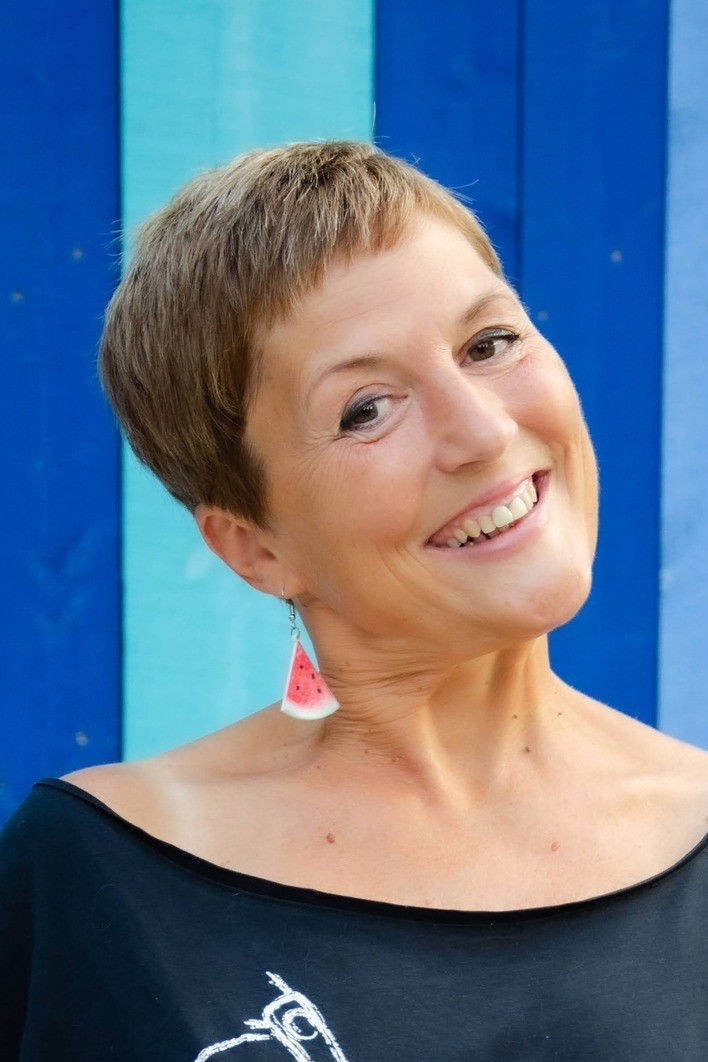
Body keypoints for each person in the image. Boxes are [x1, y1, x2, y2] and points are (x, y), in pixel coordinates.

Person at [1, 140, 707, 1060]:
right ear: (255, 546)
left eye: (489, 344)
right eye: (367, 408)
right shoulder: (100, 883)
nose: (483, 431)